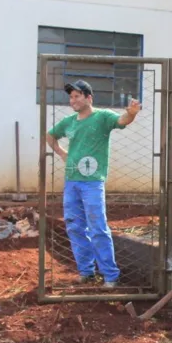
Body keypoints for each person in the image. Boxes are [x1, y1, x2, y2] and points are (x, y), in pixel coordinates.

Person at [45, 79, 141, 288]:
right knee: (74, 226)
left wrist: (132, 113)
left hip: (92, 183)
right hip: (72, 181)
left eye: (77, 96)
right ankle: (86, 272)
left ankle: (110, 276)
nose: (73, 100)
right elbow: (50, 136)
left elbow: (122, 120)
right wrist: (62, 153)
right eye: (71, 97)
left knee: (97, 227)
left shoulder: (102, 117)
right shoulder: (69, 122)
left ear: (89, 97)